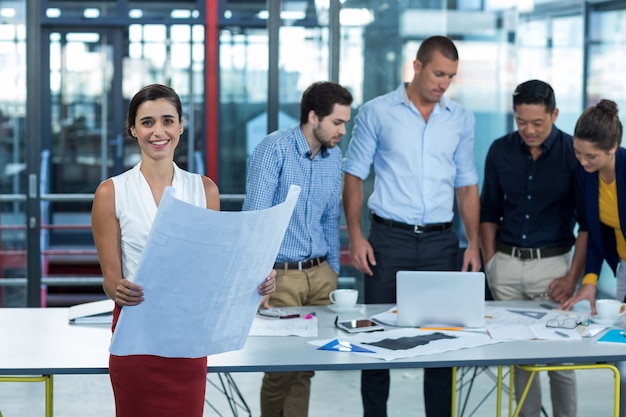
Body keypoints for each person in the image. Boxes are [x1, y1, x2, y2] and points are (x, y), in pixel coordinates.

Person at [91, 83, 276, 417]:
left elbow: (215, 272)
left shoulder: (204, 189)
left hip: (188, 336)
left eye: (167, 120)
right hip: (137, 334)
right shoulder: (111, 192)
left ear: (180, 125)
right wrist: (117, 288)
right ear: (133, 129)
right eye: (147, 122)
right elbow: (110, 281)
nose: (158, 131)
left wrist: (254, 281)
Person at [343, 35, 481, 417]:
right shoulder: (376, 112)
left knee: (441, 346)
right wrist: (356, 236)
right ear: (417, 67)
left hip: (440, 244)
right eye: (438, 73)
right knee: (377, 344)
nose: (443, 83)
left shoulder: (460, 120)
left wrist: (472, 243)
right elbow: (354, 175)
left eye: (451, 77)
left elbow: (467, 184)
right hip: (389, 240)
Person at [242, 81, 353, 417]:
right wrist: (257, 278)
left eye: (345, 123)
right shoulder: (274, 150)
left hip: (320, 275)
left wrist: (332, 271)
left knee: (305, 367)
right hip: (280, 277)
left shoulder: (335, 159)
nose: (342, 131)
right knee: (280, 369)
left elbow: (330, 219)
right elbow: (256, 218)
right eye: (337, 122)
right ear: (313, 116)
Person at [480, 80, 588, 417]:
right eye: (521, 121)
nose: (528, 130)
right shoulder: (500, 150)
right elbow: (488, 213)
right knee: (520, 359)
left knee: (559, 361)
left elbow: (586, 224)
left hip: (553, 268)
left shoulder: (574, 154)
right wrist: (491, 263)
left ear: (554, 114)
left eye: (537, 123)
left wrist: (573, 277)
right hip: (506, 265)